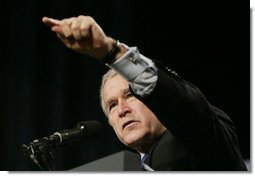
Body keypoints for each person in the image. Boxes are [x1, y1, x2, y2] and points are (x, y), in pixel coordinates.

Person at [42, 15, 248, 171]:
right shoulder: (129, 167)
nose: (122, 110)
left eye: (131, 95)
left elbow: (184, 103)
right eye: (112, 105)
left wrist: (112, 52)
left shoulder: (198, 135)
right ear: (110, 122)